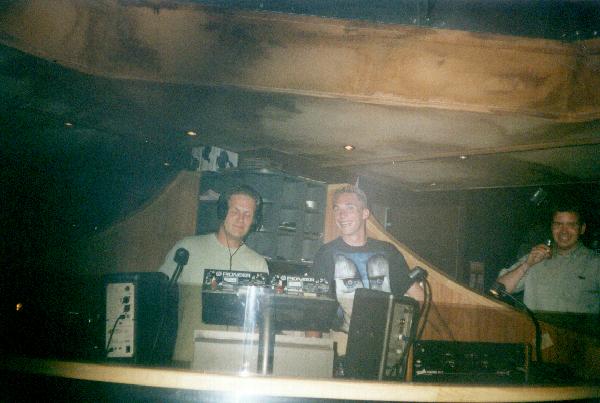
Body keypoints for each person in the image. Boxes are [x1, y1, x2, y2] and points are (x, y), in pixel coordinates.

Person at [159, 184, 268, 365]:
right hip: (187, 359)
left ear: (254, 221)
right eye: (235, 211)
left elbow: (258, 320)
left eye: (247, 214)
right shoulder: (187, 249)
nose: (241, 219)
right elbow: (158, 301)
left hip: (236, 365)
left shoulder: (258, 264)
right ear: (222, 212)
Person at [311, 185, 424, 347]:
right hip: (342, 342)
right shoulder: (326, 253)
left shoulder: (387, 251)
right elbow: (315, 306)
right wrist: (314, 348)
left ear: (365, 213)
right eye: (337, 209)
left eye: (349, 208)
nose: (341, 215)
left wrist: (399, 335)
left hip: (383, 344)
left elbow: (419, 296)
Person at [497, 203, 600, 313]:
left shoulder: (595, 263)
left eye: (571, 225)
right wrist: (527, 264)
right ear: (552, 227)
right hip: (535, 324)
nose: (564, 231)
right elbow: (499, 289)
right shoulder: (536, 257)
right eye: (558, 224)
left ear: (582, 228)